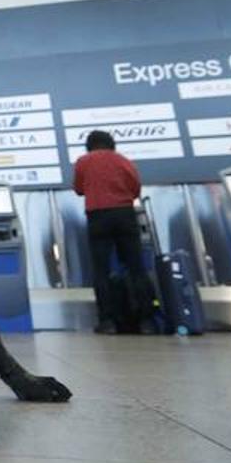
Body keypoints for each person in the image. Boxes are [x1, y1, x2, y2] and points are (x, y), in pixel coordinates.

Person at [72, 130, 154, 334]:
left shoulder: (83, 162)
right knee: (136, 268)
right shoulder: (124, 161)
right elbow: (135, 189)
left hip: (98, 216)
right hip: (125, 214)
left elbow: (79, 188)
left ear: (89, 146)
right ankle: (146, 321)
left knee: (101, 270)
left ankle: (107, 321)